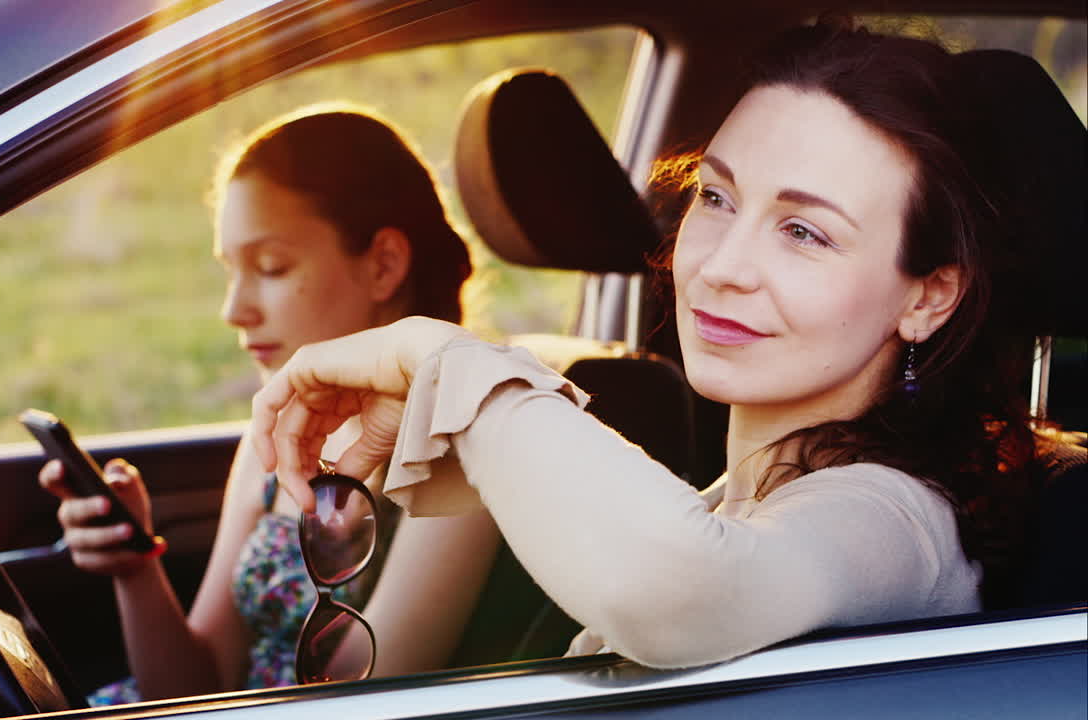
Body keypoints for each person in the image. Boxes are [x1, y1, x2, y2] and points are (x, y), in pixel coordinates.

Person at [250, 22, 1067, 669]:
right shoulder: (740, 492)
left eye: (804, 232)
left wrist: (454, 364)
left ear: (928, 297)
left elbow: (683, 591)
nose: (720, 265)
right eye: (715, 196)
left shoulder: (899, 517)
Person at [39, 107, 499, 699]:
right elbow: (191, 689)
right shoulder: (277, 435)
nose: (234, 310)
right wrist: (135, 565)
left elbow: (363, 702)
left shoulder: (456, 446)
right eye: (232, 270)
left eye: (271, 267)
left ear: (383, 264)